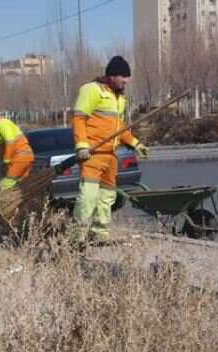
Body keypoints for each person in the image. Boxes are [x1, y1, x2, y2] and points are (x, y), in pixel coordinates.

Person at [71, 55, 149, 244]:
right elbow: (79, 119)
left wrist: (135, 143)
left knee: (107, 198)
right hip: (93, 154)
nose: (126, 81)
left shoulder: (120, 98)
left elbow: (119, 127)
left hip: (111, 156)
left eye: (127, 77)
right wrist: (82, 145)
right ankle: (76, 238)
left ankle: (100, 234)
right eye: (124, 77)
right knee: (88, 197)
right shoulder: (91, 90)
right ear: (112, 75)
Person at [0, 105, 35, 190]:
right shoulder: (4, 124)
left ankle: (2, 202)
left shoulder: (1, 124)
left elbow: (10, 141)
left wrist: (6, 160)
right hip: (27, 157)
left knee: (4, 185)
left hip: (19, 158)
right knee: (21, 186)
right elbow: (1, 146)